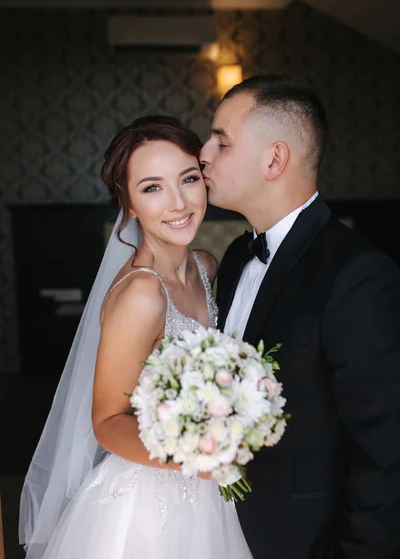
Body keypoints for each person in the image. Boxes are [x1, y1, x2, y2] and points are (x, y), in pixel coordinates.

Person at [19, 116, 253, 559]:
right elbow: (107, 424)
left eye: (187, 179)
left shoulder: (205, 267)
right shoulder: (143, 294)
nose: (179, 202)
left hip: (211, 489)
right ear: (128, 204)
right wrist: (200, 457)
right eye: (152, 188)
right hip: (151, 501)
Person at [200, 75, 400, 559]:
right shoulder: (232, 258)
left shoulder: (357, 275)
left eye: (221, 141)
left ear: (274, 159)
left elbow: (386, 452)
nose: (203, 153)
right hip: (220, 526)